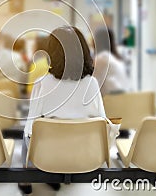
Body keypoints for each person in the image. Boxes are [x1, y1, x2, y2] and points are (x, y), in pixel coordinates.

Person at [19, 26, 106, 194]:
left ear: (51, 53)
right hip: (85, 156)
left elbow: (30, 130)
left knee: (27, 131)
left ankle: (25, 179)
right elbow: (103, 122)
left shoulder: (42, 83)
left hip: (48, 157)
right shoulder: (92, 83)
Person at [93, 27, 131, 95]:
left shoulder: (102, 58)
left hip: (111, 102)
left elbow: (92, 84)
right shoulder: (117, 59)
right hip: (125, 99)